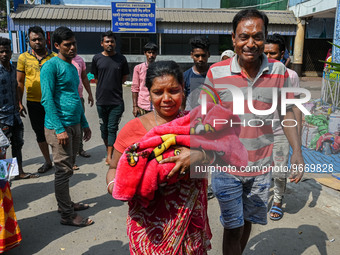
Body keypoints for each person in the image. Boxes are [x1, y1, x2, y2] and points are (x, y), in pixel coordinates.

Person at [204, 9, 304, 255]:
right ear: (233, 39)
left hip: (261, 165)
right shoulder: (216, 73)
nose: (251, 43)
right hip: (226, 167)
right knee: (232, 226)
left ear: (265, 37)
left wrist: (297, 152)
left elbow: (287, 112)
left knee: (247, 221)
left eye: (257, 37)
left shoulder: (279, 71)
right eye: (244, 37)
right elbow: (206, 119)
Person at [107, 61, 212, 254]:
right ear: (148, 93)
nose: (166, 99)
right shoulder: (133, 129)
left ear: (183, 90)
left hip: (189, 223)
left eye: (173, 91)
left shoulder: (197, 123)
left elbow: (227, 152)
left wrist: (198, 154)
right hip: (148, 227)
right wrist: (117, 188)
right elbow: (113, 167)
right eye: (158, 92)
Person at [40, 27, 93, 227]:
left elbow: (75, 97)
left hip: (75, 124)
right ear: (56, 46)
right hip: (58, 128)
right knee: (62, 171)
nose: (72, 48)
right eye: (67, 45)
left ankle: (67, 204)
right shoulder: (50, 66)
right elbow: (47, 100)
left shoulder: (72, 67)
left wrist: (85, 123)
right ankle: (67, 215)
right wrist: (59, 128)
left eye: (74, 44)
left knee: (69, 169)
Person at [264, 33, 302, 220]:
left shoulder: (291, 76)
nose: (269, 58)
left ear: (283, 54)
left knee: (279, 172)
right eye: (265, 53)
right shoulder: (256, 73)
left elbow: (295, 108)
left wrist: (297, 147)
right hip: (258, 134)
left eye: (273, 54)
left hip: (281, 133)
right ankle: (262, 198)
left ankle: (278, 200)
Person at [17, 26, 56, 174]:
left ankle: (61, 159)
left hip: (52, 101)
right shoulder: (23, 58)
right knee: (40, 133)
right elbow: (20, 82)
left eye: (40, 39)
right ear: (29, 41)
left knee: (56, 131)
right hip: (33, 102)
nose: (37, 42)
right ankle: (48, 161)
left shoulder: (54, 57)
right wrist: (19, 102)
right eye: (34, 39)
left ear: (45, 39)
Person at [0, 37, 39, 179]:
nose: (4, 54)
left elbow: (16, 87)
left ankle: (19, 172)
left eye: (7, 51)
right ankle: (3, 181)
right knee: (2, 149)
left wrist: (19, 103)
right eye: (1, 52)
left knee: (18, 144)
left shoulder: (12, 69)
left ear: (11, 53)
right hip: (2, 118)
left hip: (14, 115)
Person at [91, 31, 129, 165]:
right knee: (104, 129)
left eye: (112, 41)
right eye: (107, 41)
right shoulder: (96, 58)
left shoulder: (121, 59)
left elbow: (124, 78)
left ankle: (109, 156)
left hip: (116, 101)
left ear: (115, 43)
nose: (110, 44)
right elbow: (94, 77)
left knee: (112, 128)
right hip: (101, 101)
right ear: (102, 43)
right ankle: (110, 150)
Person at [71, 54, 94, 169]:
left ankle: (79, 149)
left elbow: (84, 78)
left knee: (80, 125)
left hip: (79, 97)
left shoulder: (80, 59)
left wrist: (89, 93)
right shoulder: (58, 61)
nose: (71, 48)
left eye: (73, 44)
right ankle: (71, 158)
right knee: (70, 127)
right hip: (66, 99)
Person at [183, 36, 210, 111]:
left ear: (208, 54)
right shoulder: (185, 76)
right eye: (197, 56)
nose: (200, 59)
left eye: (203, 56)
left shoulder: (215, 74)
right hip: (191, 117)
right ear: (192, 55)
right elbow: (182, 100)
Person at [131, 42, 158, 117]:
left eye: (153, 53)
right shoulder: (138, 68)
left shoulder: (160, 69)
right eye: (149, 53)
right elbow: (135, 88)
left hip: (156, 107)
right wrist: (135, 106)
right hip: (142, 106)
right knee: (141, 128)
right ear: (145, 53)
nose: (151, 55)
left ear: (156, 54)